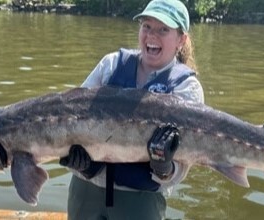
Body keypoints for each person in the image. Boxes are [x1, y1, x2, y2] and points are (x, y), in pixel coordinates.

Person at [59, 0, 204, 219]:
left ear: (181, 40)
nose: (151, 35)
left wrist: (165, 168)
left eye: (163, 29)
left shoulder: (186, 88)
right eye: (147, 26)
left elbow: (185, 159)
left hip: (139, 200)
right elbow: (71, 116)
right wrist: (77, 163)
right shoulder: (111, 65)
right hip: (85, 189)